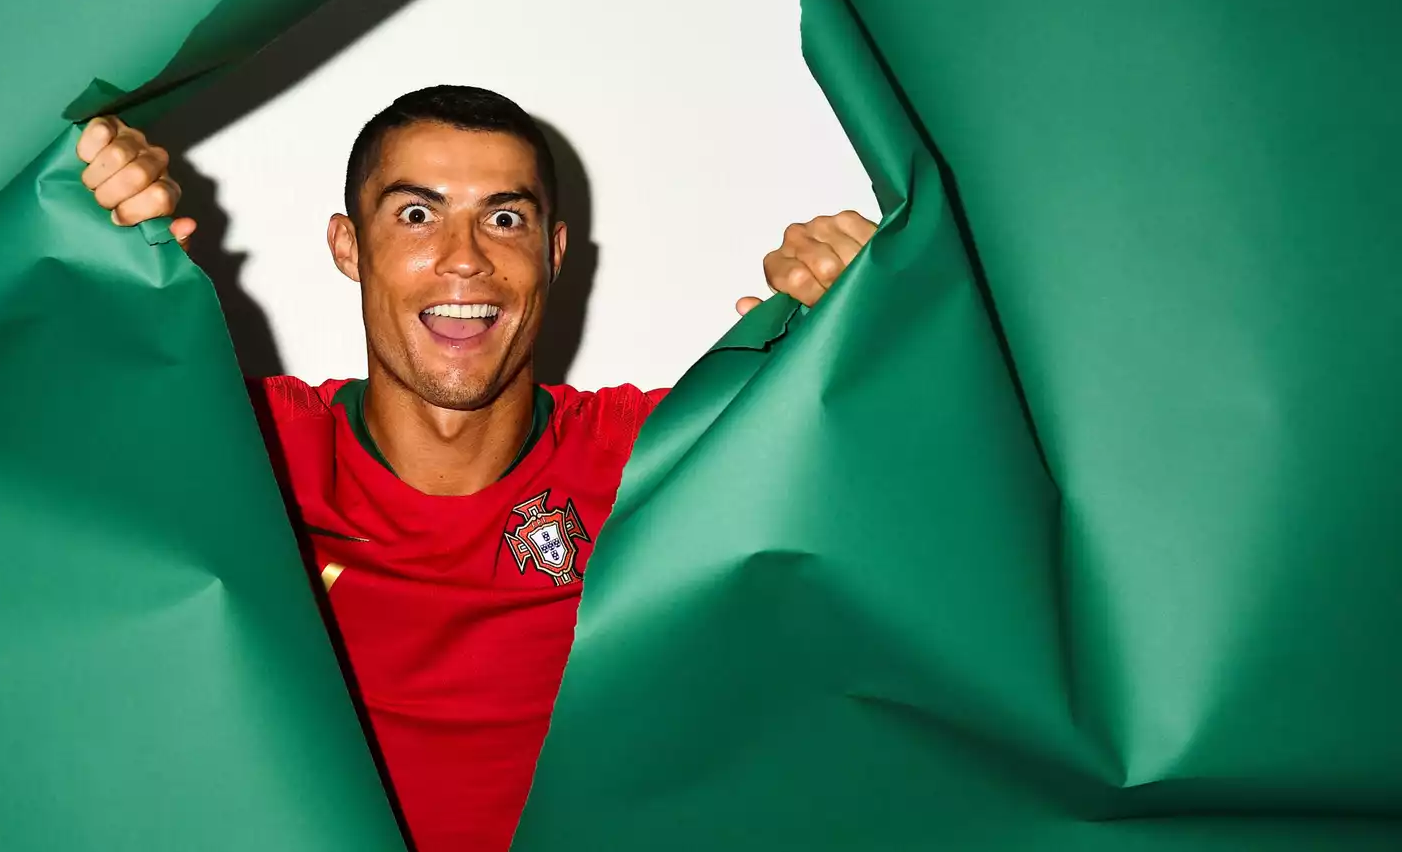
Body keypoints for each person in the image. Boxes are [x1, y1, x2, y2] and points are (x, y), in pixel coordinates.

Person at [75, 85, 876, 852]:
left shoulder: (659, 462)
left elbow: (884, 528)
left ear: (553, 253)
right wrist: (91, 232)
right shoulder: (244, 450)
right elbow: (50, 448)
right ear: (349, 247)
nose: (464, 260)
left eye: (504, 218)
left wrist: (874, 310)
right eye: (417, 215)